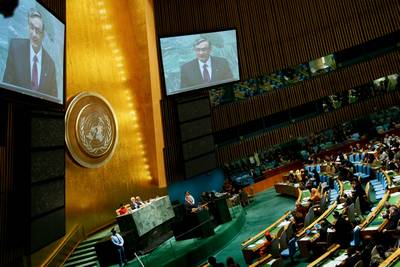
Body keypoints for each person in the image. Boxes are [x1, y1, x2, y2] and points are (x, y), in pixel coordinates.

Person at [3, 8, 57, 97]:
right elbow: (6, 87)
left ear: (43, 35)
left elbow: (54, 99)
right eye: (32, 28)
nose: (34, 34)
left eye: (38, 30)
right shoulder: (15, 48)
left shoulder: (50, 64)